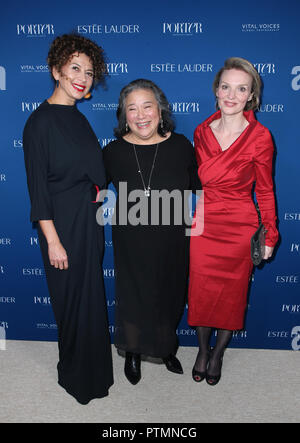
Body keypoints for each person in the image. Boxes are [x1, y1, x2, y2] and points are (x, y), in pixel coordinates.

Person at [23, 33, 113, 404]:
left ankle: (93, 373)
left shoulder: (78, 118)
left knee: (89, 298)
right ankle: (76, 378)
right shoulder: (39, 123)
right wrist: (53, 240)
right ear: (56, 70)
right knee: (71, 301)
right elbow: (37, 191)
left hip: (87, 221)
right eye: (75, 68)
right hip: (61, 225)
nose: (82, 77)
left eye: (89, 72)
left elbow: (94, 173)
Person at [103, 79, 201, 385]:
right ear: (124, 115)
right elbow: (92, 191)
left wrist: (202, 232)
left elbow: (199, 189)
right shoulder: (113, 151)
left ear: (160, 110)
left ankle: (165, 349)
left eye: (147, 106)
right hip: (131, 240)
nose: (141, 114)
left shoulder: (182, 145)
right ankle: (132, 353)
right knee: (133, 296)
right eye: (132, 108)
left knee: (168, 295)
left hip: (173, 240)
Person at [188, 57, 278, 386]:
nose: (231, 95)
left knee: (231, 295)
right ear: (216, 89)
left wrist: (269, 234)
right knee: (200, 291)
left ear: (251, 95)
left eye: (241, 89)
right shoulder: (201, 131)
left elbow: (266, 191)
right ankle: (201, 349)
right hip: (204, 223)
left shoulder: (261, 137)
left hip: (240, 225)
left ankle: (218, 353)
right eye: (226, 86)